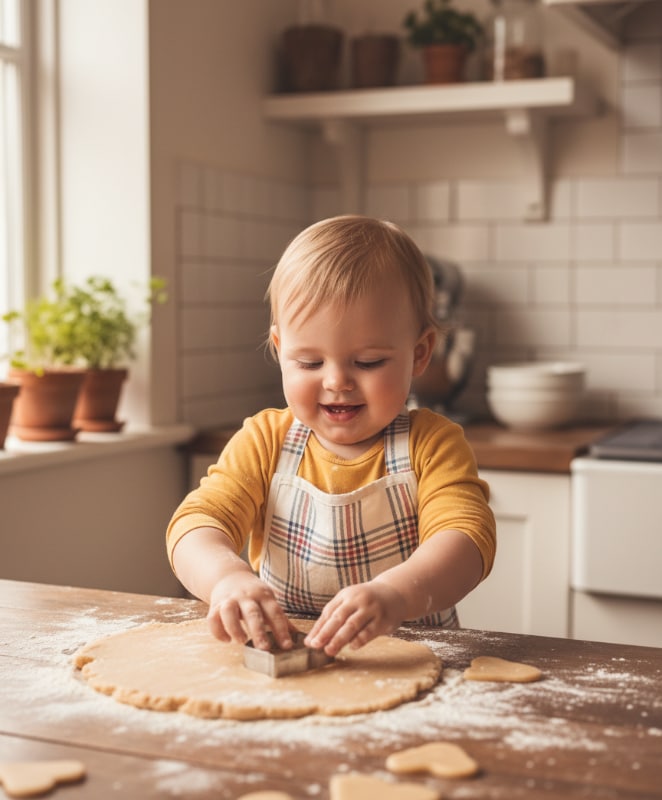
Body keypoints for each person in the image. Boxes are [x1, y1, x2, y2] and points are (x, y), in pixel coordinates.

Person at [166, 215, 496, 658]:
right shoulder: (265, 441)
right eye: (309, 363)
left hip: (407, 659)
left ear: (419, 354)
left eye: (368, 362)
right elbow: (196, 525)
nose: (337, 381)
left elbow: (466, 539)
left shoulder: (431, 444)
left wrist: (396, 595)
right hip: (285, 658)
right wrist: (226, 578)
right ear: (280, 351)